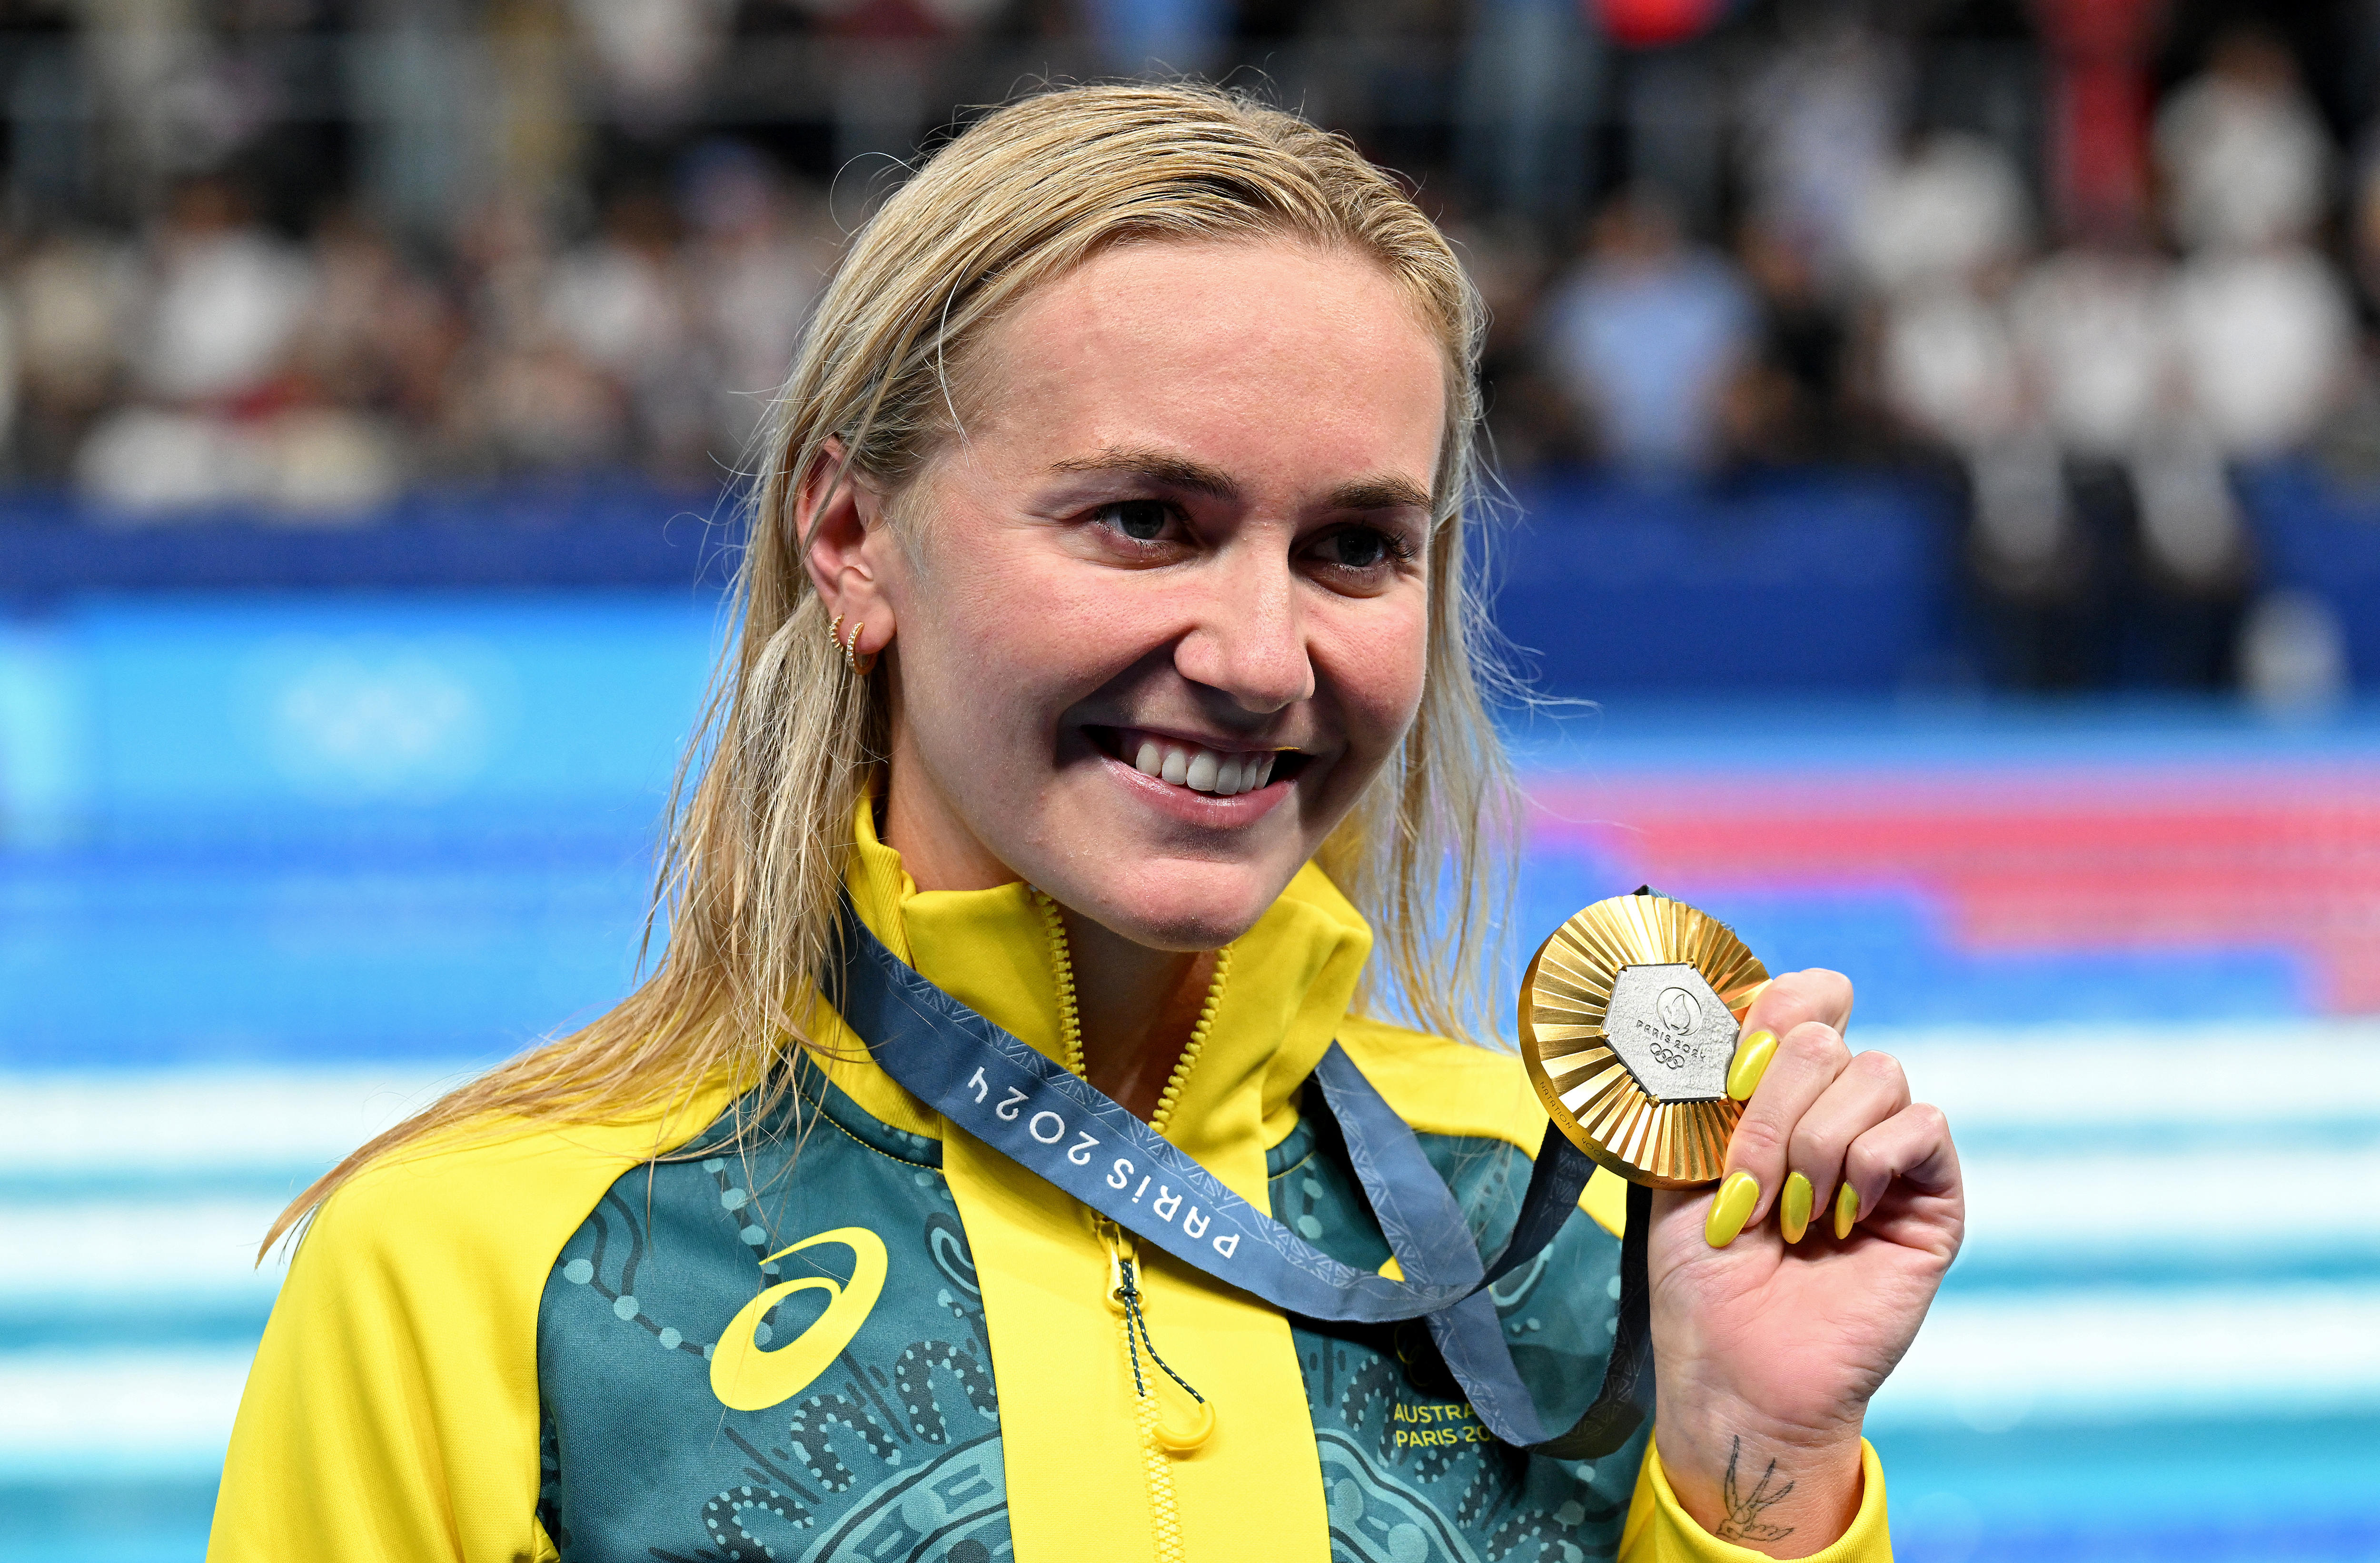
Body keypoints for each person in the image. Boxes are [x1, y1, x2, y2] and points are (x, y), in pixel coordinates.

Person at [209, 84, 1962, 1562]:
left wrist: (1765, 1470)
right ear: (850, 538)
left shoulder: (1586, 1226)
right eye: (1142, 519)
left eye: (1355, 547)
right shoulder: (474, 1271)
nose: (1261, 655)